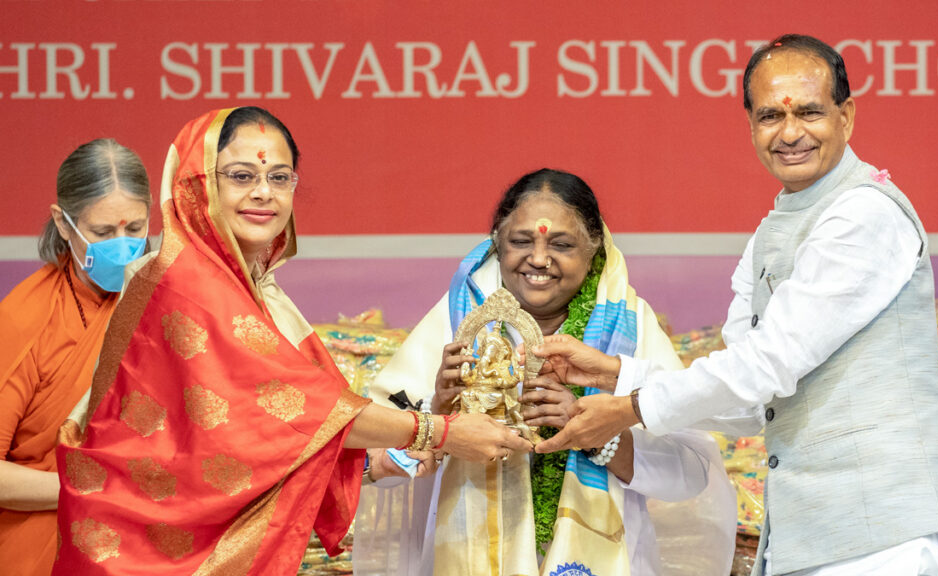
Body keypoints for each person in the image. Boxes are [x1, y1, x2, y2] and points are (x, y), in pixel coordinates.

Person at [533, 34, 938, 576]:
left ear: (847, 116)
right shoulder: (771, 232)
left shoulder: (864, 214)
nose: (790, 133)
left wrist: (628, 410)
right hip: (810, 534)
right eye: (770, 117)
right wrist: (616, 374)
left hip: (886, 537)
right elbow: (751, 401)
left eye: (809, 112)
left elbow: (771, 360)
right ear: (750, 126)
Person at [51, 107, 531, 575]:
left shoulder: (257, 289)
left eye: (280, 178)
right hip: (144, 551)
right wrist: (440, 432)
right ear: (200, 187)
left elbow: (248, 442)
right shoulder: (186, 284)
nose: (264, 193)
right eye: (241, 176)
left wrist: (376, 463)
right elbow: (303, 411)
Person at [355, 169, 750, 576]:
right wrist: (438, 415)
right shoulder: (458, 319)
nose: (539, 259)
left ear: (594, 250)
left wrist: (598, 436)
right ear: (497, 242)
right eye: (521, 241)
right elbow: (374, 463)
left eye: (561, 244)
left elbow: (688, 473)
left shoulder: (628, 324)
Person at [0, 139, 152, 576]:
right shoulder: (25, 318)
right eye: (104, 233)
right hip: (40, 554)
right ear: (63, 224)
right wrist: (95, 488)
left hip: (148, 548)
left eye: (135, 228)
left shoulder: (167, 304)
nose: (122, 246)